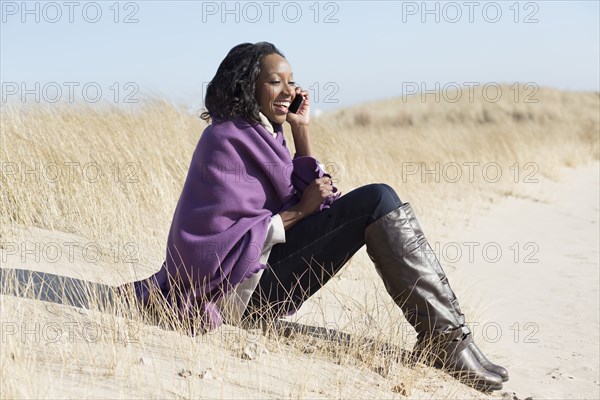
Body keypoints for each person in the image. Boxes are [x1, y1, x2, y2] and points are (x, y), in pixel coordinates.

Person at [129, 42, 508, 392]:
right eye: (274, 82)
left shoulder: (267, 135)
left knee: (379, 199)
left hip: (261, 277)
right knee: (377, 199)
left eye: (291, 82)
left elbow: (315, 197)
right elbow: (204, 246)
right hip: (235, 291)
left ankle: (450, 338)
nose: (288, 91)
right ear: (249, 86)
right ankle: (445, 341)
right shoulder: (224, 139)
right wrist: (298, 212)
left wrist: (301, 130)